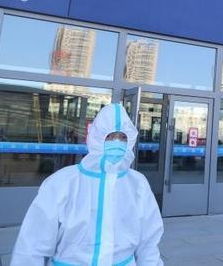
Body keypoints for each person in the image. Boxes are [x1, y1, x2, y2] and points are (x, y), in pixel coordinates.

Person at [11, 103, 164, 266]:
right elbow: (32, 246)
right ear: (97, 137)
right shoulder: (62, 182)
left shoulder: (138, 184)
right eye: (110, 137)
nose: (117, 142)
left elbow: (148, 244)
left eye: (123, 137)